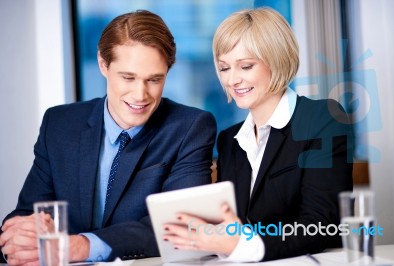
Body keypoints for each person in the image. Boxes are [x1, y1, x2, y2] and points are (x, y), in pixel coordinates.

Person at [0, 10, 216, 265]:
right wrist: (19, 238)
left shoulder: (190, 128)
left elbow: (180, 226)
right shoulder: (59, 124)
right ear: (103, 64)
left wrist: (83, 246)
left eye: (154, 80)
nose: (140, 94)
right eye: (128, 77)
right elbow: (28, 213)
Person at [164, 8, 353, 262]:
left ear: (276, 60)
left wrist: (244, 245)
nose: (232, 79)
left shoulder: (322, 118)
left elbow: (319, 225)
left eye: (245, 66)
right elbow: (236, 226)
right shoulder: (230, 141)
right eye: (224, 68)